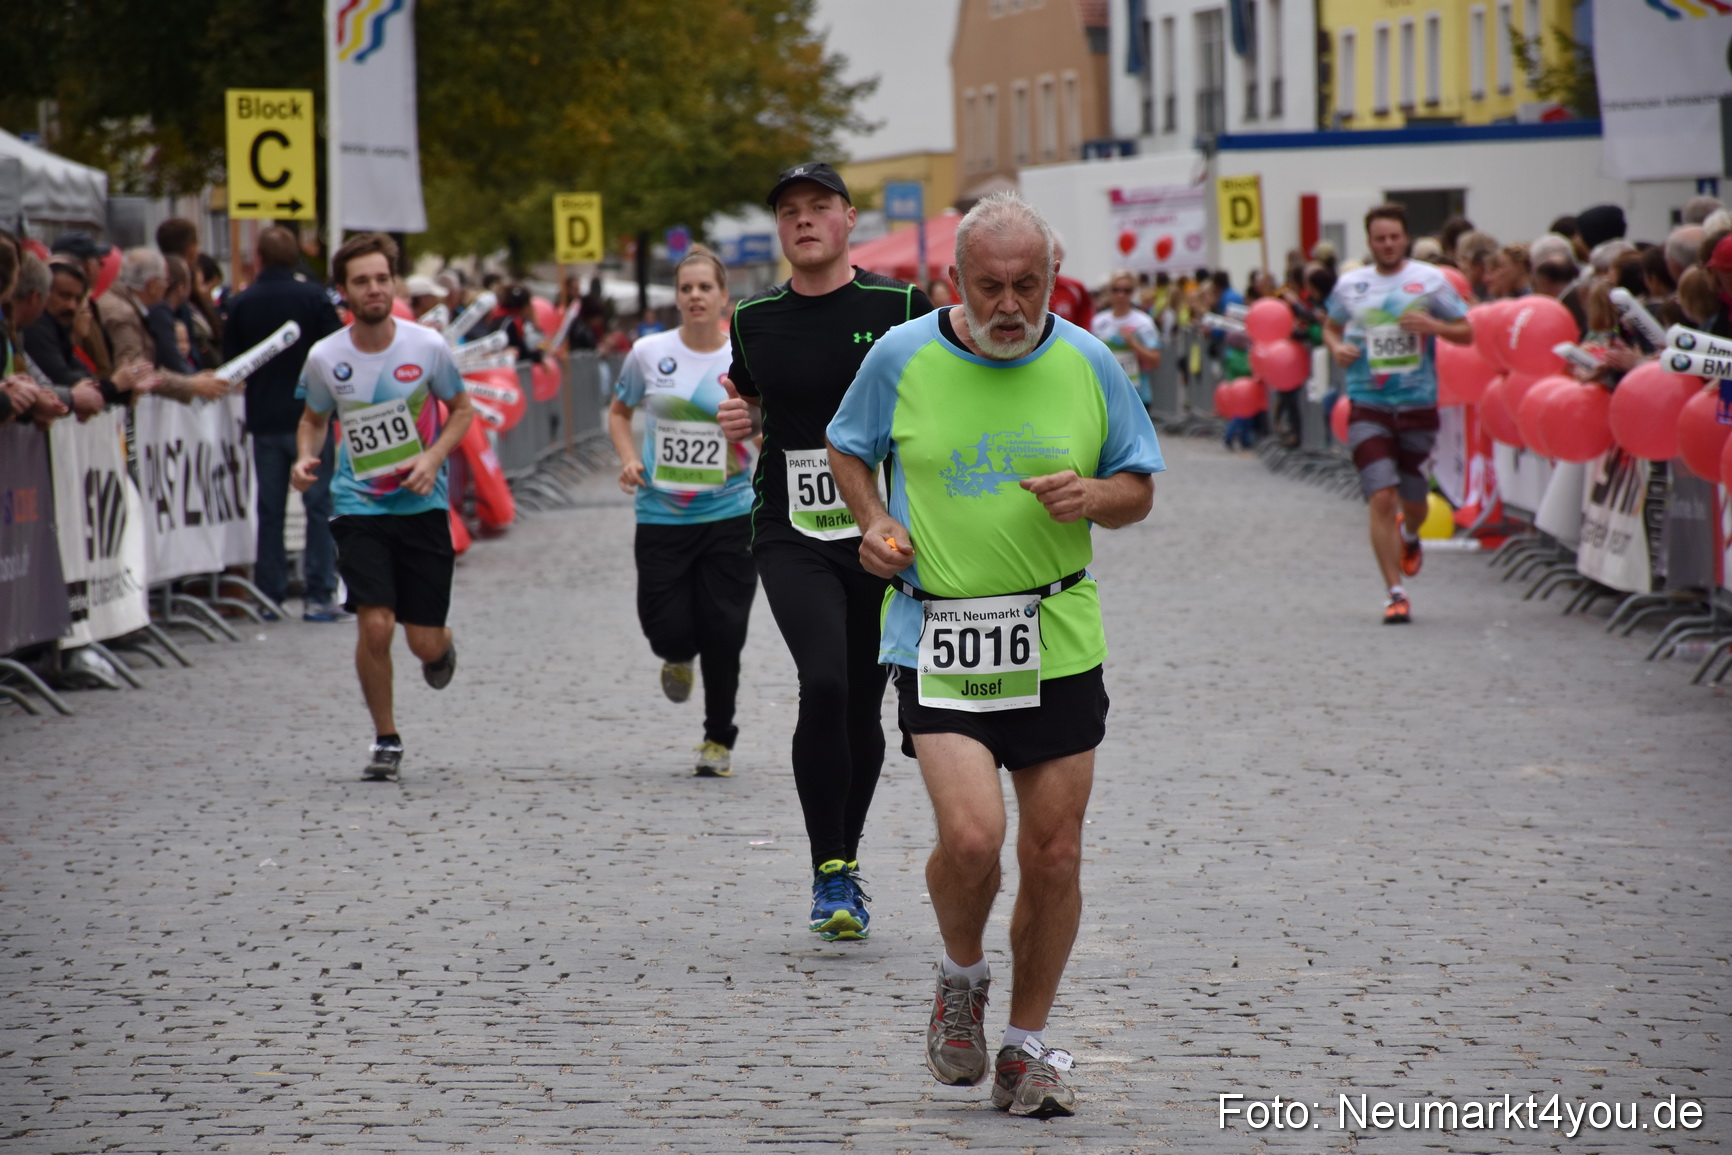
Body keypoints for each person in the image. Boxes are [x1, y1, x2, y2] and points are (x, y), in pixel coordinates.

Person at [825, 190, 1163, 1119]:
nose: (1009, 306)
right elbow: (847, 449)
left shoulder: (1089, 361)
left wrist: (1093, 495)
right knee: (973, 839)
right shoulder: (901, 355)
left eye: (1027, 285)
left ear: (1055, 278)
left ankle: (1026, 1046)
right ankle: (961, 974)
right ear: (955, 280)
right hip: (939, 633)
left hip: (1057, 635)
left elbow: (1138, 487)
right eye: (989, 286)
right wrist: (874, 520)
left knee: (1054, 852)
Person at [715, 162, 933, 941]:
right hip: (791, 531)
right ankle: (829, 868)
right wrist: (739, 418)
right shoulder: (754, 317)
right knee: (825, 680)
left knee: (862, 702)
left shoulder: (901, 308)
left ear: (847, 220)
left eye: (818, 206)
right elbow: (749, 395)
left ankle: (846, 855)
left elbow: (944, 390)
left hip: (880, 534)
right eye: (789, 211)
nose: (802, 220)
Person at [291, 232, 475, 781]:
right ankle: (386, 738)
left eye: (381, 278)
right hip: (359, 505)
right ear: (343, 291)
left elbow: (461, 410)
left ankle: (442, 648)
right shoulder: (326, 357)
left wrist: (433, 458)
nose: (373, 288)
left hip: (421, 504)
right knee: (375, 625)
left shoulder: (426, 347)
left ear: (393, 284)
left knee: (423, 641)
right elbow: (314, 419)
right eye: (361, 281)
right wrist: (305, 457)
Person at [608, 244, 759, 778]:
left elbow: (765, 420)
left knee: (725, 631)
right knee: (665, 630)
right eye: (686, 288)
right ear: (676, 297)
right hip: (662, 514)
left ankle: (718, 738)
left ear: (723, 296)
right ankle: (677, 654)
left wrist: (762, 440)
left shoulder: (743, 356)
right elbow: (619, 412)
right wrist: (629, 459)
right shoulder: (648, 353)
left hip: (730, 511)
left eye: (705, 287)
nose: (695, 295)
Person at [1323, 204, 1472, 624]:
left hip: (1417, 404)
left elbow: (1468, 330)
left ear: (1405, 238)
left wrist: (1434, 328)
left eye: (1394, 237)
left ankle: (1410, 533)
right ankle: (1395, 592)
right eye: (1380, 238)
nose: (1387, 244)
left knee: (1414, 502)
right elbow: (1330, 326)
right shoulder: (1351, 285)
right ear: (1369, 242)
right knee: (1381, 496)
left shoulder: (1430, 280)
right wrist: (1336, 347)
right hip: (1367, 402)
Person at [226, 226, 347, 622]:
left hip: (265, 418)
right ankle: (319, 593)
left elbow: (232, 361)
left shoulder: (242, 302)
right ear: (296, 257)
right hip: (312, 417)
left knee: (270, 508)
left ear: (259, 258)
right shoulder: (314, 298)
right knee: (318, 506)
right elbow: (336, 351)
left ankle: (270, 593)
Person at [1089, 269, 1161, 409]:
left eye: (1126, 290)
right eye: (1116, 290)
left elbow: (1155, 360)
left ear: (1133, 292)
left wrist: (1133, 343)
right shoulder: (1098, 322)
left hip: (1137, 396)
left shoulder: (1143, 322)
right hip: (1107, 395)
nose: (1121, 295)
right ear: (1109, 291)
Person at [1045, 233, 1093, 330]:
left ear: (1062, 255)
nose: (1049, 257)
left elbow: (1086, 323)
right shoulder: (1026, 288)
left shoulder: (1075, 288)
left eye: (1053, 251)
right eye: (1045, 251)